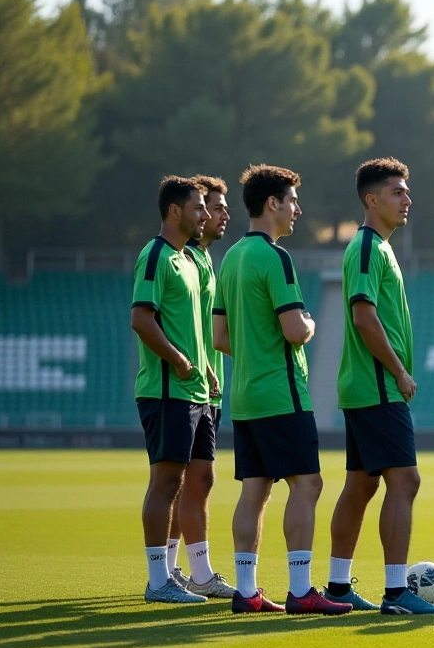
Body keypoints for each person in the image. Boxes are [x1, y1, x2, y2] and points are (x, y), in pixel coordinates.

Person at [213, 164, 351, 616]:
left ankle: (246, 590)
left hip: (246, 396)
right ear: (271, 203)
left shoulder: (230, 257)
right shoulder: (275, 257)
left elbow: (220, 337)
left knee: (253, 491)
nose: (298, 209)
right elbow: (295, 330)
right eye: (292, 200)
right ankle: (300, 589)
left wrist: (255, 352)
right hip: (281, 393)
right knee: (307, 485)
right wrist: (308, 324)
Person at [325, 158, 434, 616]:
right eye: (397, 192)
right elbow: (363, 316)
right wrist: (398, 370)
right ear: (371, 200)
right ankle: (396, 592)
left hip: (368, 386)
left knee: (361, 485)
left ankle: (338, 587)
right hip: (377, 385)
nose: (407, 199)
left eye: (407, 191)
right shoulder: (365, 248)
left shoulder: (379, 248)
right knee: (406, 480)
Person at [131, 175, 215, 604]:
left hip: (195, 390)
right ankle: (157, 580)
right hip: (167, 390)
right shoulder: (156, 255)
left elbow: (189, 326)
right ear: (174, 211)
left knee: (190, 481)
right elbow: (142, 319)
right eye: (198, 207)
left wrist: (203, 368)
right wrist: (180, 362)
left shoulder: (186, 259)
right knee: (165, 482)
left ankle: (182, 574)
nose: (205, 214)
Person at [162, 175, 237, 599]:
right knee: (189, 479)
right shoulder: (180, 258)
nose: (219, 214)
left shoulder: (206, 259)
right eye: (212, 206)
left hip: (211, 384)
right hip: (187, 385)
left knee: (197, 479)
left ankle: (175, 568)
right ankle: (187, 571)